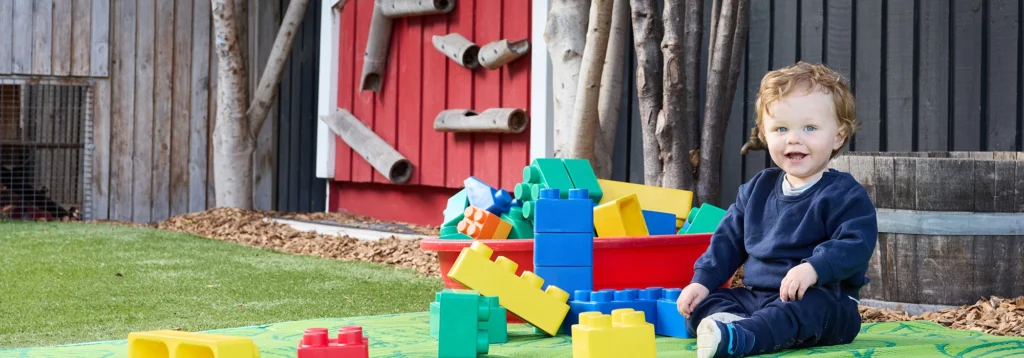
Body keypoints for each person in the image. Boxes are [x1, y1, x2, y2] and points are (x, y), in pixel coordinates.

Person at [677, 61, 877, 358]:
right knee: (702, 305)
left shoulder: (843, 194)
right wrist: (702, 281)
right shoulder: (757, 189)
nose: (793, 138)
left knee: (804, 311)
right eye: (781, 128)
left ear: (838, 135)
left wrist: (814, 268)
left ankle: (746, 336)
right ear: (764, 134)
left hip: (823, 299)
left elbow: (856, 244)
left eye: (809, 127)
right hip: (757, 297)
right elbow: (727, 241)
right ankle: (734, 326)